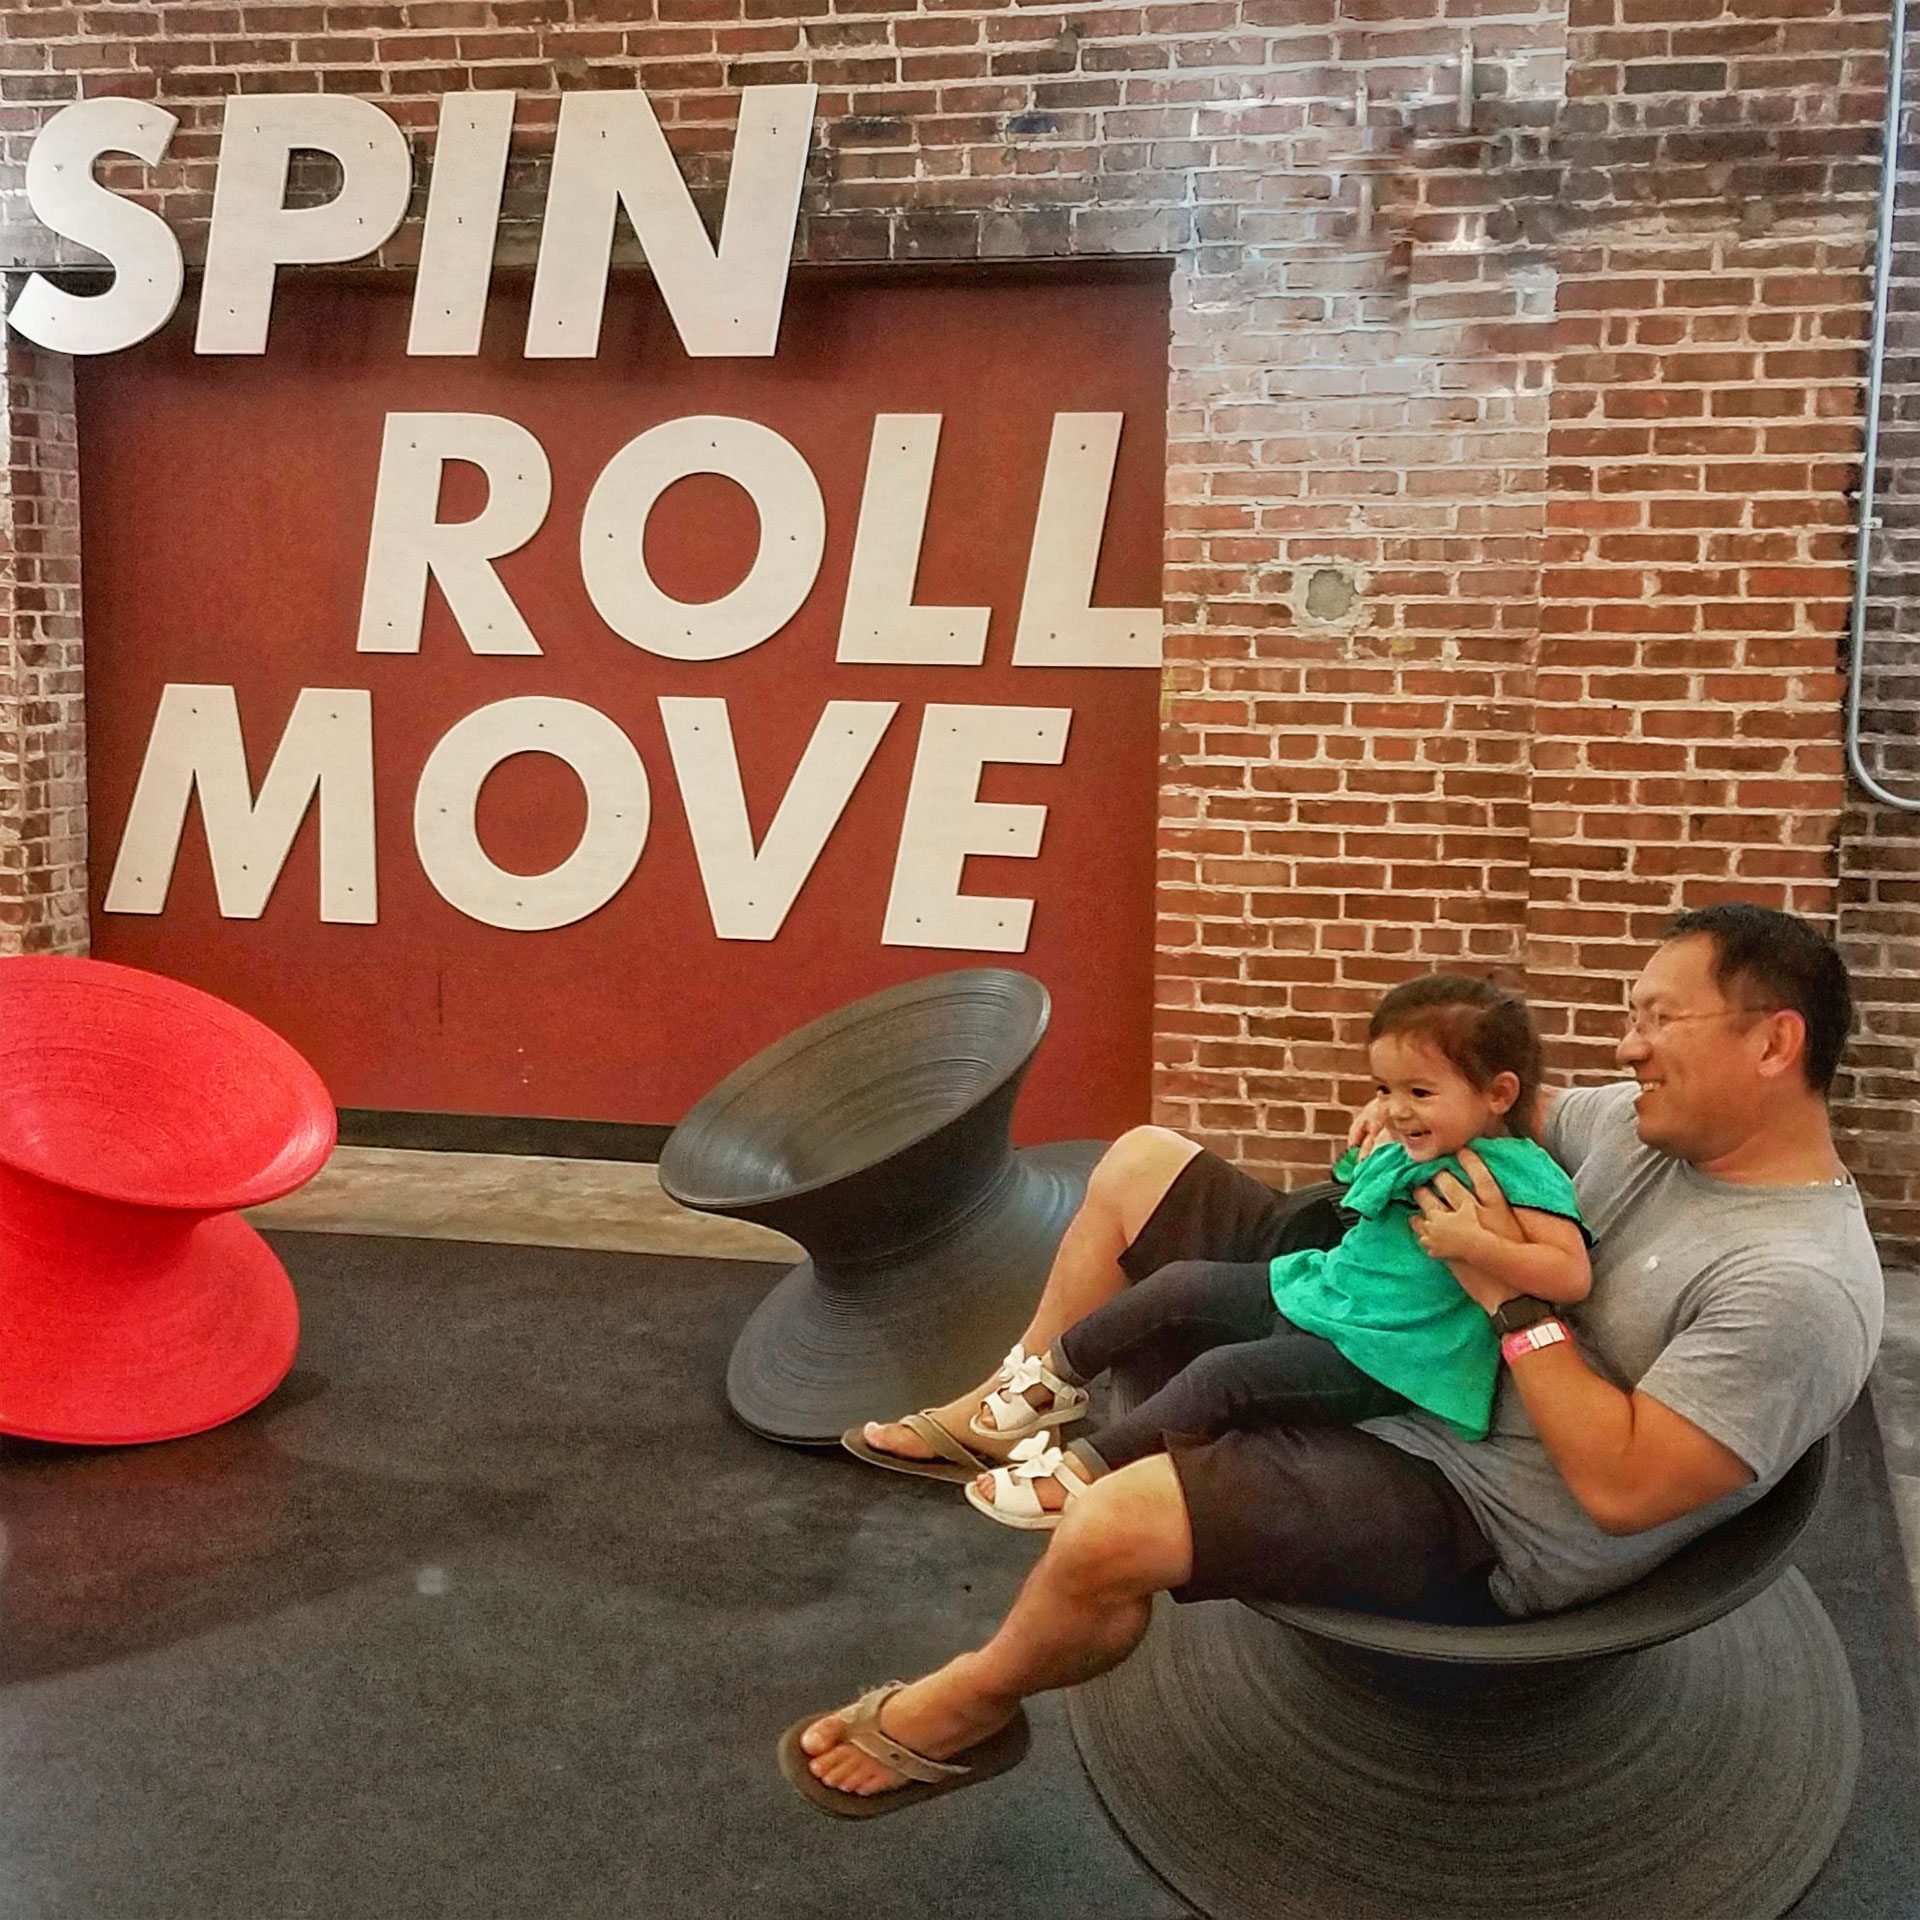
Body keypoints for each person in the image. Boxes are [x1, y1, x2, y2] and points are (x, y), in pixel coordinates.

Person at [781, 902, 1885, 1818]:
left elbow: (1624, 1487)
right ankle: (1015, 1397)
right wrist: (1411, 1101)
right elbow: (1511, 1099)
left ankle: (974, 1701)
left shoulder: (1796, 1282)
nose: (1628, 1045)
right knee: (1142, 1161)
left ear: (1773, 1043)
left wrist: (1505, 1300)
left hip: (1470, 1496)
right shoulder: (1642, 1129)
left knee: (1110, 1524)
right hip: (1393, 1329)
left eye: (1657, 1019)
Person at [964, 973, 1590, 1532]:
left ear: (1499, 1093)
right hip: (1323, 1292)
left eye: (1419, 1093)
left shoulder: (1519, 1172)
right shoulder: (1417, 1146)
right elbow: (1357, 1200)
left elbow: (1570, 1274)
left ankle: (1082, 1472)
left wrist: (1477, 1245)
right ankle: (1055, 1378)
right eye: (1383, 1088)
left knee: (1223, 1375)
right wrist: (1375, 1146)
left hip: (1381, 1359)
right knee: (1182, 1284)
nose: (1396, 1109)